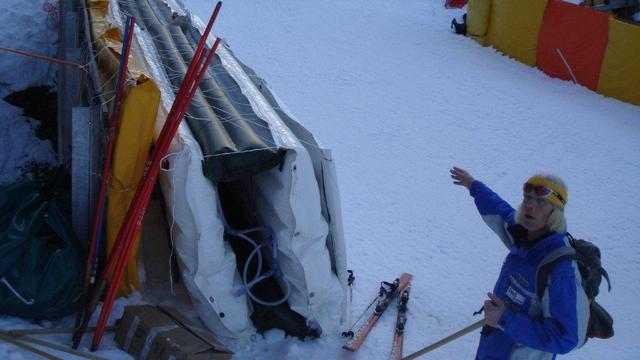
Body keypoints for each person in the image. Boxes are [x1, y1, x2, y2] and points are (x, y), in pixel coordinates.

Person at [450, 167, 589, 360]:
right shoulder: (524, 236)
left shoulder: (560, 270)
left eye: (541, 201)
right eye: (527, 198)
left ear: (555, 211)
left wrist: (504, 319)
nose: (530, 206)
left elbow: (565, 338)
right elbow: (498, 209)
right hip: (493, 347)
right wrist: (473, 186)